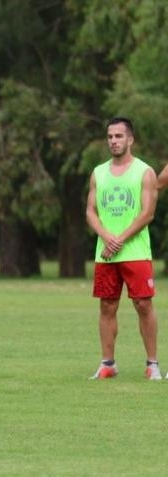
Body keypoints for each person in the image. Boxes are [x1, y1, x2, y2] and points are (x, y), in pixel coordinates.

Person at [86, 117, 161, 380]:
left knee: (143, 304)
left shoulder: (145, 171)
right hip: (105, 254)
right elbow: (91, 211)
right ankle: (108, 363)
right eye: (110, 137)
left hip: (135, 252)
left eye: (119, 136)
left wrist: (119, 240)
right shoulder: (98, 172)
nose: (114, 141)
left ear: (130, 139)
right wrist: (107, 237)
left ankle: (152, 364)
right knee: (107, 306)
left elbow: (147, 213)